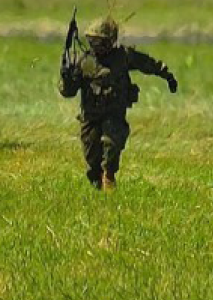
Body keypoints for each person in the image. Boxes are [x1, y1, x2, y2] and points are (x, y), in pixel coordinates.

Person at [57, 13, 176, 190]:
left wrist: (167, 76)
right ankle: (98, 184)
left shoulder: (123, 57)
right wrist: (67, 78)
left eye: (99, 42)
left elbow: (148, 64)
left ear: (110, 41)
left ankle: (109, 176)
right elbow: (68, 92)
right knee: (92, 158)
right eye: (92, 42)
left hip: (114, 112)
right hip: (90, 116)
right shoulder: (83, 62)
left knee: (112, 145)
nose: (95, 46)